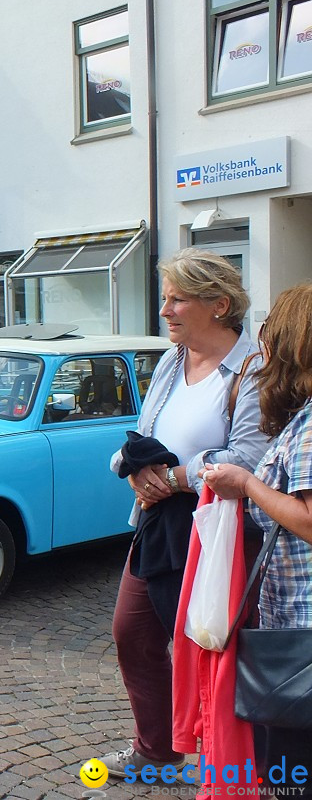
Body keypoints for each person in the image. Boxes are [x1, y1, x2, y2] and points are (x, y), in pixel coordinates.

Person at [100, 249, 268, 774]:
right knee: (132, 633)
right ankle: (158, 748)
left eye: (178, 300)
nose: (166, 311)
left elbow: (249, 456)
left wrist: (174, 478)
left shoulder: (252, 368)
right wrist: (133, 470)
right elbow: (144, 436)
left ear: (219, 305)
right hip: (157, 526)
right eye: (165, 299)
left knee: (214, 649)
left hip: (216, 533)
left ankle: (235, 759)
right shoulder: (172, 362)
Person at [203, 282, 312, 797]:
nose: (261, 350)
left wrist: (247, 484)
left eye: (270, 338)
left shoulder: (311, 426)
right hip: (295, 620)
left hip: (304, 626)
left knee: (293, 767)